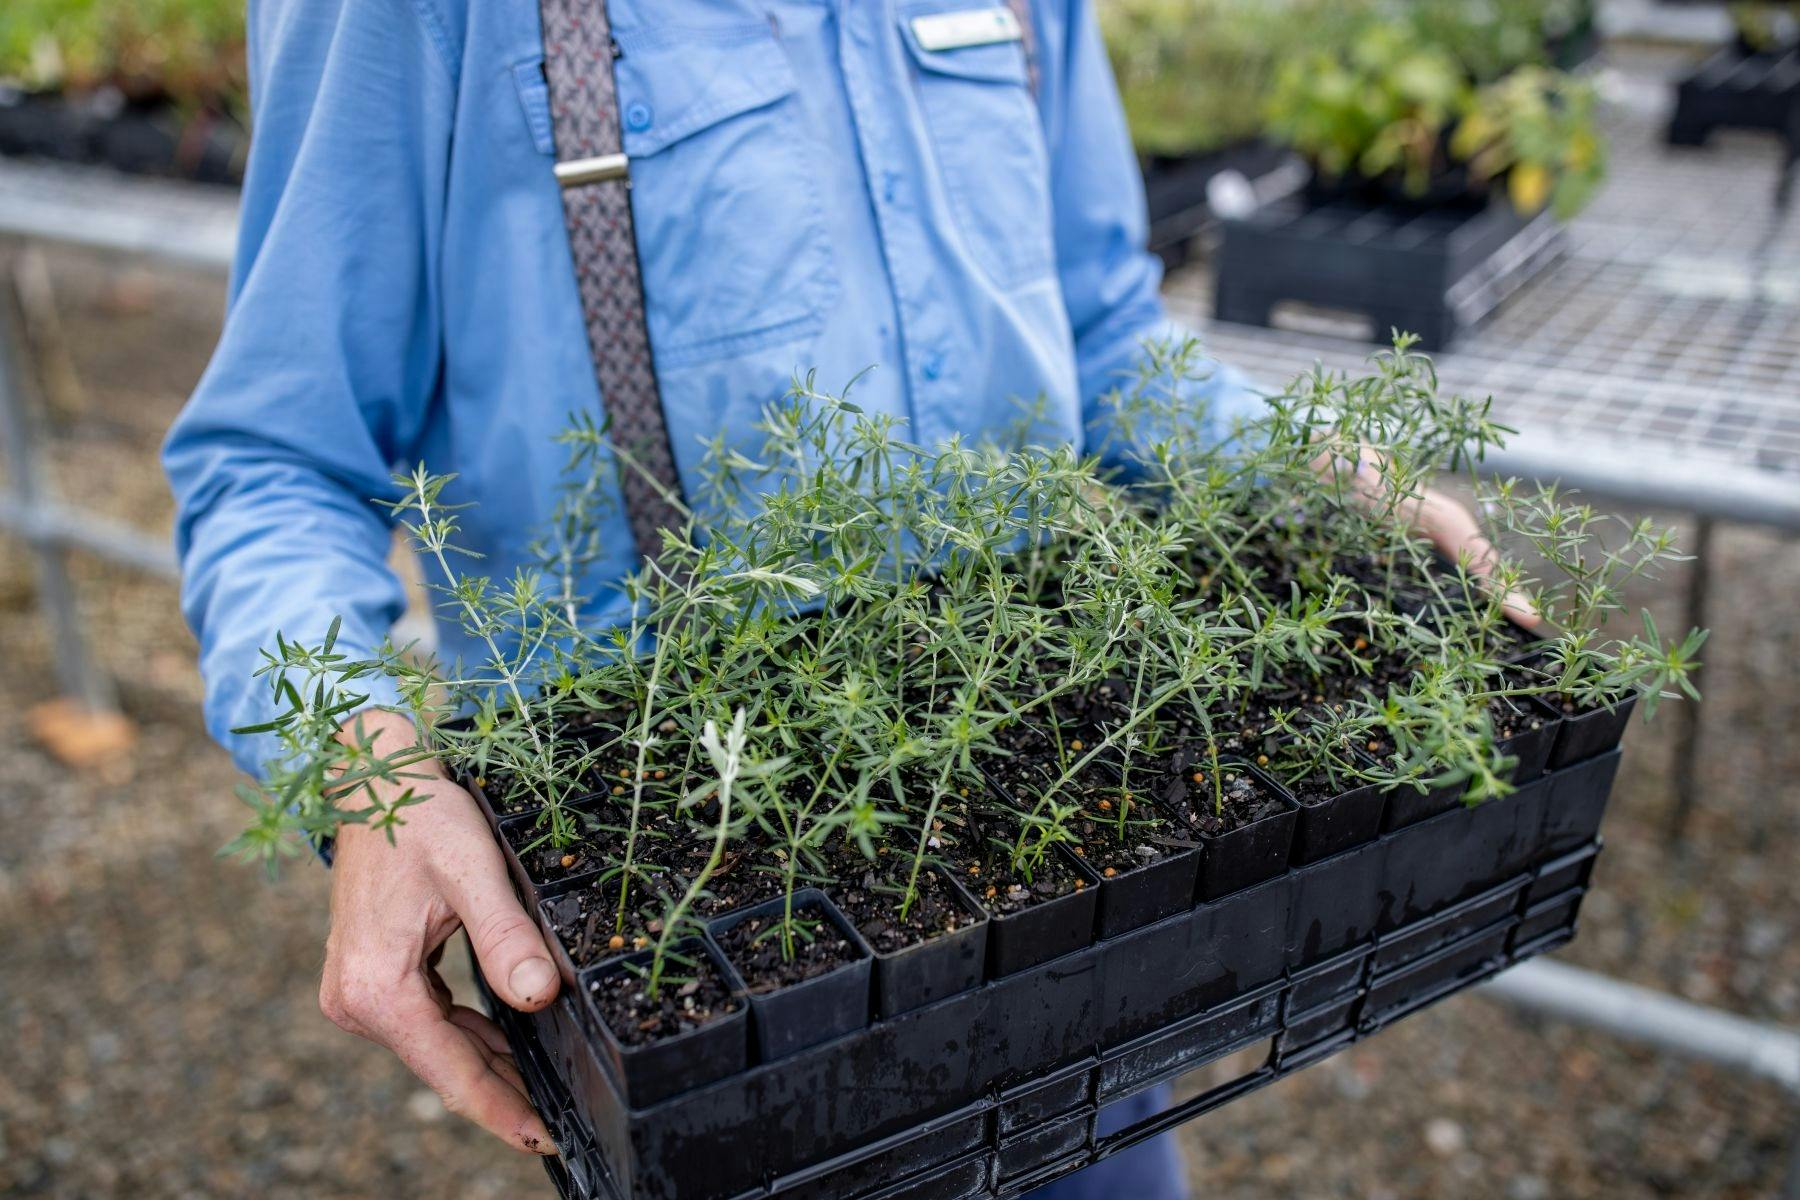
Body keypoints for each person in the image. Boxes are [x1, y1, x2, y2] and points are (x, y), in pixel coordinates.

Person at [163, 1, 1498, 1194]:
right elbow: (275, 460)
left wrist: (1300, 467)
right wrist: (363, 768)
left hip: (1032, 788)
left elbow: (1100, 329)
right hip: (675, 855)